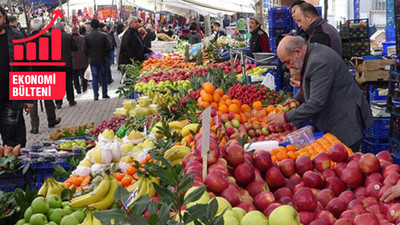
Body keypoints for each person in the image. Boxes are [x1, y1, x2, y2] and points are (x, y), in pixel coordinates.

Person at [267, 36, 373, 151]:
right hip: (336, 119)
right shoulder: (311, 55)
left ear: (297, 52)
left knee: (345, 161)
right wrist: (298, 99)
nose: (288, 67)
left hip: (344, 123)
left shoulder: (319, 61)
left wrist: (285, 117)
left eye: (288, 62)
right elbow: (311, 85)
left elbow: (316, 103)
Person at [0, 5, 34, 147]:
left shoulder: (15, 36)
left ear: (4, 18)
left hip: (11, 100)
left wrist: (29, 98)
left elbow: (26, 68)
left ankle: (15, 169)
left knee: (14, 142)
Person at [29, 18, 61, 134]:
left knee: (33, 101)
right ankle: (51, 120)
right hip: (46, 72)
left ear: (31, 27)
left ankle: (34, 127)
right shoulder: (48, 39)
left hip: (32, 73)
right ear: (42, 28)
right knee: (48, 98)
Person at [83, 19, 111, 100]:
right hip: (102, 59)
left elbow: (84, 49)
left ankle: (96, 95)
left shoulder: (87, 36)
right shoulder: (103, 35)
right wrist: (106, 55)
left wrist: (89, 55)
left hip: (93, 59)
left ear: (91, 26)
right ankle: (104, 93)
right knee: (103, 76)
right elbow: (108, 47)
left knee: (94, 77)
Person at [54, 22, 78, 109]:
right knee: (68, 82)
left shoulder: (50, 37)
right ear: (63, 28)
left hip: (55, 64)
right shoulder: (68, 36)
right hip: (67, 63)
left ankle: (58, 103)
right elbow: (75, 48)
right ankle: (71, 101)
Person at [71, 26, 88, 94]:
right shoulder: (83, 38)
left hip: (73, 60)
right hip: (83, 59)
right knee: (83, 74)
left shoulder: (70, 38)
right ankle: (84, 88)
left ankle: (78, 89)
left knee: (75, 76)